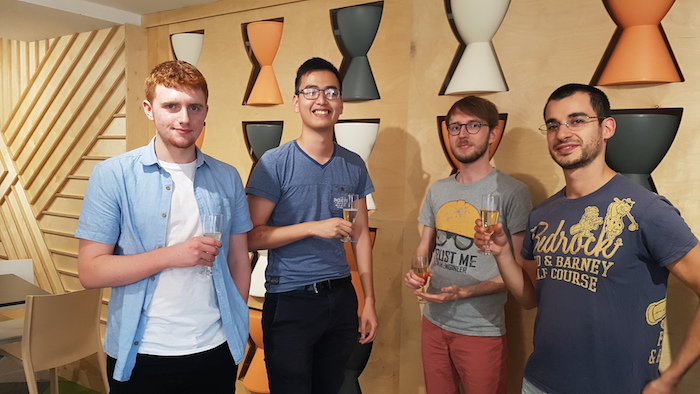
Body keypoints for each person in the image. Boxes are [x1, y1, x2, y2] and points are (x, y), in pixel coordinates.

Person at [475, 83, 700, 394]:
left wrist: (671, 378)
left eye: (577, 120)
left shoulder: (646, 209)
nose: (563, 133)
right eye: (553, 125)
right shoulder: (541, 215)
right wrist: (501, 254)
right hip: (539, 384)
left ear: (607, 127)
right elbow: (529, 299)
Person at [75, 60, 252, 393]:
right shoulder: (113, 176)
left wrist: (237, 320)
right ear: (149, 109)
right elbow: (91, 271)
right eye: (171, 106)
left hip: (215, 347)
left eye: (193, 107)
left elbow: (239, 259)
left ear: (205, 112)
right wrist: (172, 255)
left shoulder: (227, 177)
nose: (184, 118)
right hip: (142, 352)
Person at [246, 57, 378, 394]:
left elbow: (361, 235)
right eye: (311, 91)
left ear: (341, 103)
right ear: (296, 102)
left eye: (331, 92)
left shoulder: (353, 164)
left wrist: (369, 302)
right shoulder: (274, 164)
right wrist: (312, 227)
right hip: (290, 299)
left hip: (341, 298)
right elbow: (251, 236)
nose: (322, 100)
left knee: (330, 387)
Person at [404, 96, 533, 394]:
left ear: (493, 133)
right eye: (455, 127)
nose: (462, 134)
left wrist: (465, 292)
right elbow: (425, 247)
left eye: (473, 125)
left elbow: (518, 275)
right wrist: (417, 273)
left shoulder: (513, 192)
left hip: (481, 329)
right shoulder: (438, 190)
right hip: (433, 323)